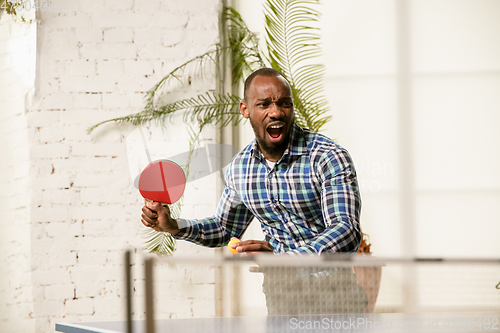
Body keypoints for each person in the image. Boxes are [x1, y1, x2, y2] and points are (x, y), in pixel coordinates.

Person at [141, 67, 362, 256]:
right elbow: (224, 229)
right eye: (264, 104)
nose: (276, 112)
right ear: (245, 110)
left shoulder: (327, 156)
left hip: (334, 288)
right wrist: (174, 227)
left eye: (284, 103)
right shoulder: (240, 169)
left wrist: (288, 260)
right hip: (279, 289)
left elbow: (346, 230)